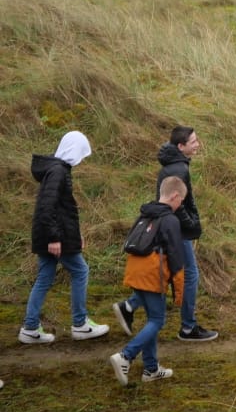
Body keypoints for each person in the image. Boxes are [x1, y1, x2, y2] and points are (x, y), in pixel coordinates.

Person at [119, 127, 218, 341]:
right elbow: (177, 202)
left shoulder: (173, 163)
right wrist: (192, 224)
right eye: (193, 141)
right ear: (181, 146)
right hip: (177, 229)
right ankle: (188, 327)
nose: (198, 144)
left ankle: (129, 305)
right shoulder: (179, 169)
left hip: (171, 225)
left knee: (167, 272)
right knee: (189, 274)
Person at [19, 130, 110, 344]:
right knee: (81, 271)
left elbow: (63, 209)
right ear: (74, 150)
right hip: (54, 236)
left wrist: (76, 235)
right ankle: (80, 324)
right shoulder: (58, 171)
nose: (81, 159)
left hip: (53, 234)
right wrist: (54, 238)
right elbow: (46, 207)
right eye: (81, 153)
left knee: (44, 277)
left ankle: (30, 328)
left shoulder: (55, 169)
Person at [108, 175, 188, 386]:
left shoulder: (146, 213)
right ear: (175, 196)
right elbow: (177, 259)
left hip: (134, 271)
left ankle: (151, 369)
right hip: (153, 275)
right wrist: (179, 295)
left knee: (152, 320)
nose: (180, 205)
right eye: (181, 201)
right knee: (157, 321)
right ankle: (125, 356)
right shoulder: (170, 220)